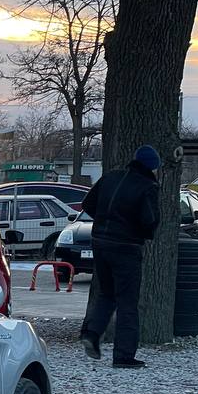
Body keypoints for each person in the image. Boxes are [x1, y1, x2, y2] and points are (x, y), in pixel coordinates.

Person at [79, 144, 162, 369]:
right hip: (126, 247)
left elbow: (87, 204)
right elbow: (149, 221)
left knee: (107, 293)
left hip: (100, 243)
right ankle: (124, 356)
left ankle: (92, 333)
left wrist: (104, 222)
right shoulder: (148, 187)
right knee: (128, 302)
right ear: (152, 167)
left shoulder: (111, 177)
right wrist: (142, 232)